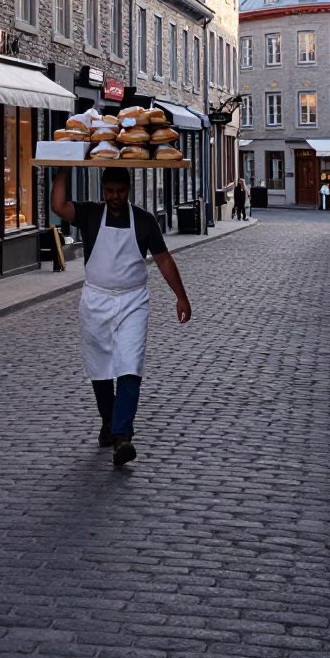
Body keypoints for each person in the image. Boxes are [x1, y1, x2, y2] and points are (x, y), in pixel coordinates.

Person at [51, 166, 191, 467]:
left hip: (133, 300)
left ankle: (122, 436)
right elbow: (59, 206)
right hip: (96, 299)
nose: (115, 197)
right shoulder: (90, 214)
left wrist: (180, 295)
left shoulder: (144, 221)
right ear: (103, 190)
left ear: (129, 190)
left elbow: (164, 259)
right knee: (100, 368)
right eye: (110, 191)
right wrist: (63, 165)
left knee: (130, 364)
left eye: (121, 191)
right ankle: (109, 422)